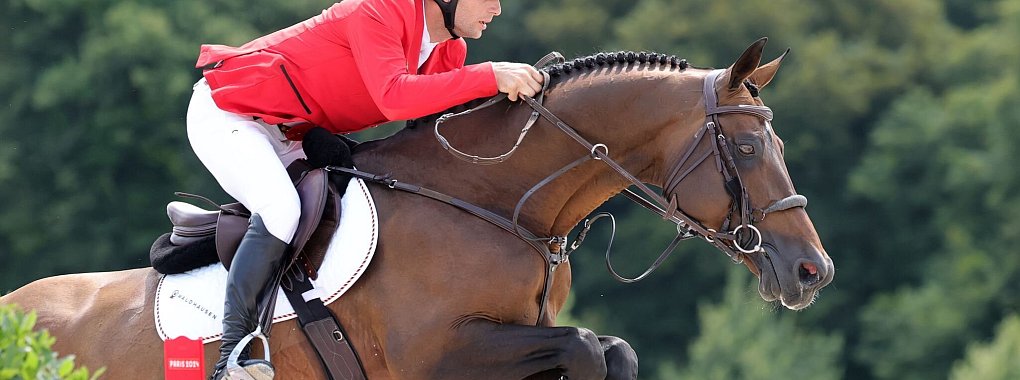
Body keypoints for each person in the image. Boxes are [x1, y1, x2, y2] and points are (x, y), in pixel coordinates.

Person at [186, 0, 544, 378]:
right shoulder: (377, 9)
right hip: (231, 112)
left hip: (294, 134)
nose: (498, 9)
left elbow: (433, 130)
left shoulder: (449, 49)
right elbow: (394, 98)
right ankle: (231, 358)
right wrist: (489, 76)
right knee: (281, 210)